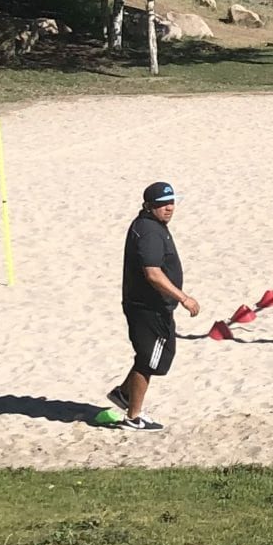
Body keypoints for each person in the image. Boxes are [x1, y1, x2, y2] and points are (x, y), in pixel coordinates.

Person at [108, 181, 198, 432]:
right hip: (147, 307)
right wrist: (183, 297)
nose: (169, 208)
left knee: (159, 356)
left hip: (152, 307)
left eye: (172, 203)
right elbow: (153, 274)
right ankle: (133, 416)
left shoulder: (152, 226)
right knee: (148, 361)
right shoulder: (148, 232)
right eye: (162, 204)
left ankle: (124, 395)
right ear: (149, 206)